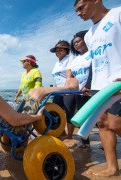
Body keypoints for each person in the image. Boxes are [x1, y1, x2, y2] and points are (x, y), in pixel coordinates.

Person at [75, 0, 121, 177]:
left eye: (81, 7)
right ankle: (112, 168)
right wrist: (88, 85)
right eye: (77, 11)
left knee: (116, 123)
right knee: (102, 124)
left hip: (118, 82)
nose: (79, 13)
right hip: (98, 86)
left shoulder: (117, 14)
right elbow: (95, 61)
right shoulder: (88, 35)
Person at [0, 67, 79, 129]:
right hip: (17, 124)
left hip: (12, 119)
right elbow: (15, 120)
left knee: (32, 91)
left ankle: (67, 86)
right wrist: (37, 117)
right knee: (40, 90)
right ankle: (71, 88)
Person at [67, 30, 92, 150]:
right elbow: (71, 76)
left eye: (78, 41)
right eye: (74, 43)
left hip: (94, 89)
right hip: (79, 92)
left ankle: (106, 142)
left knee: (103, 119)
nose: (76, 44)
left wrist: (88, 84)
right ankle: (85, 143)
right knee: (83, 117)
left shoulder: (92, 53)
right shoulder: (75, 60)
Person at [50, 40, 76, 140]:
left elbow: (71, 74)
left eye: (60, 49)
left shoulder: (70, 58)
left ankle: (69, 136)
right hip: (58, 90)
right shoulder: (57, 63)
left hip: (69, 89)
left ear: (66, 50)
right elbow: (58, 77)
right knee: (56, 111)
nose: (58, 51)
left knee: (69, 112)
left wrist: (67, 87)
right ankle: (62, 132)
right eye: (56, 50)